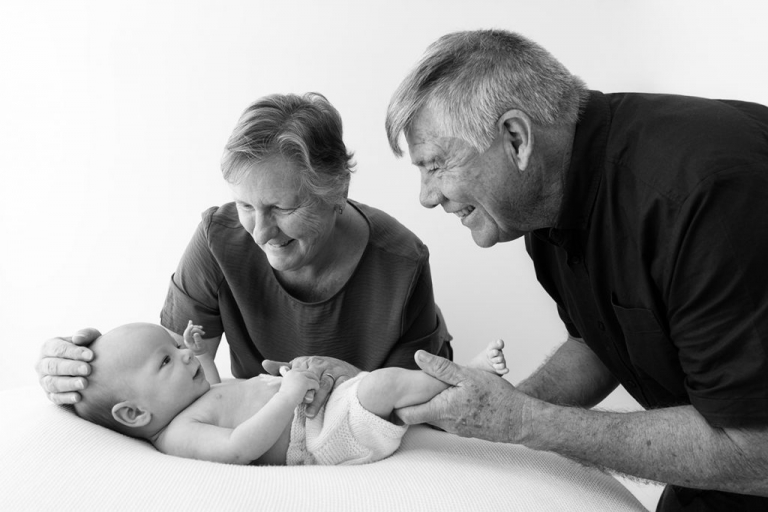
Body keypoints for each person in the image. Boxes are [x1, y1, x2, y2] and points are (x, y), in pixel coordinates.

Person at [383, 29, 768, 511]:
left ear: (515, 138)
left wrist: (524, 421)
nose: (427, 195)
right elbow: (600, 342)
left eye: (436, 165)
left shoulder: (702, 198)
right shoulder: (545, 200)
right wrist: (488, 411)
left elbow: (755, 450)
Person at [37, 92, 452, 418]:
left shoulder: (403, 262)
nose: (261, 232)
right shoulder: (218, 240)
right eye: (246, 206)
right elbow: (157, 370)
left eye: (282, 209)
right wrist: (80, 370)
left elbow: (421, 403)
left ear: (338, 190)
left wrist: (353, 384)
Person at [73, 322, 507, 465]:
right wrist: (287, 394)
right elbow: (238, 447)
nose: (184, 356)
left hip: (317, 411)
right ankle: (470, 377)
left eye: (177, 346)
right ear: (132, 414)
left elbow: (218, 384)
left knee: (387, 384)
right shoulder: (178, 434)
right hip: (317, 439)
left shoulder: (191, 401)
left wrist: (202, 353)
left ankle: (464, 380)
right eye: (166, 361)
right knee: (385, 384)